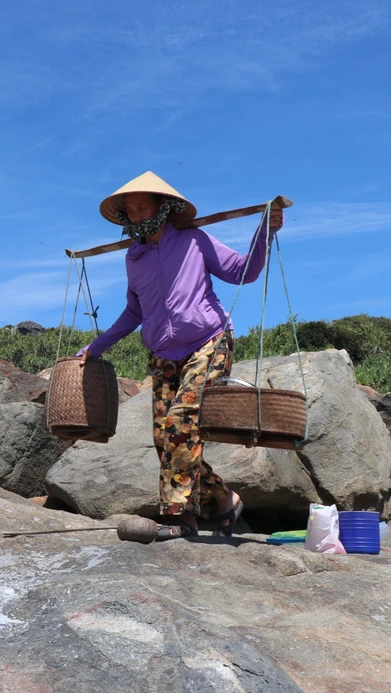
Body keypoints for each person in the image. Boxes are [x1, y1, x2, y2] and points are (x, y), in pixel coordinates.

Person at [78, 172, 283, 540]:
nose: (138, 215)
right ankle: (222, 498)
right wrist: (96, 347)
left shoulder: (194, 240)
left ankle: (180, 518)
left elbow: (243, 272)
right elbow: (133, 312)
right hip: (163, 355)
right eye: (131, 210)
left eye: (144, 207)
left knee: (181, 421)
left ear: (164, 208)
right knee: (165, 437)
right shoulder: (134, 257)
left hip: (208, 342)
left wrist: (264, 231)